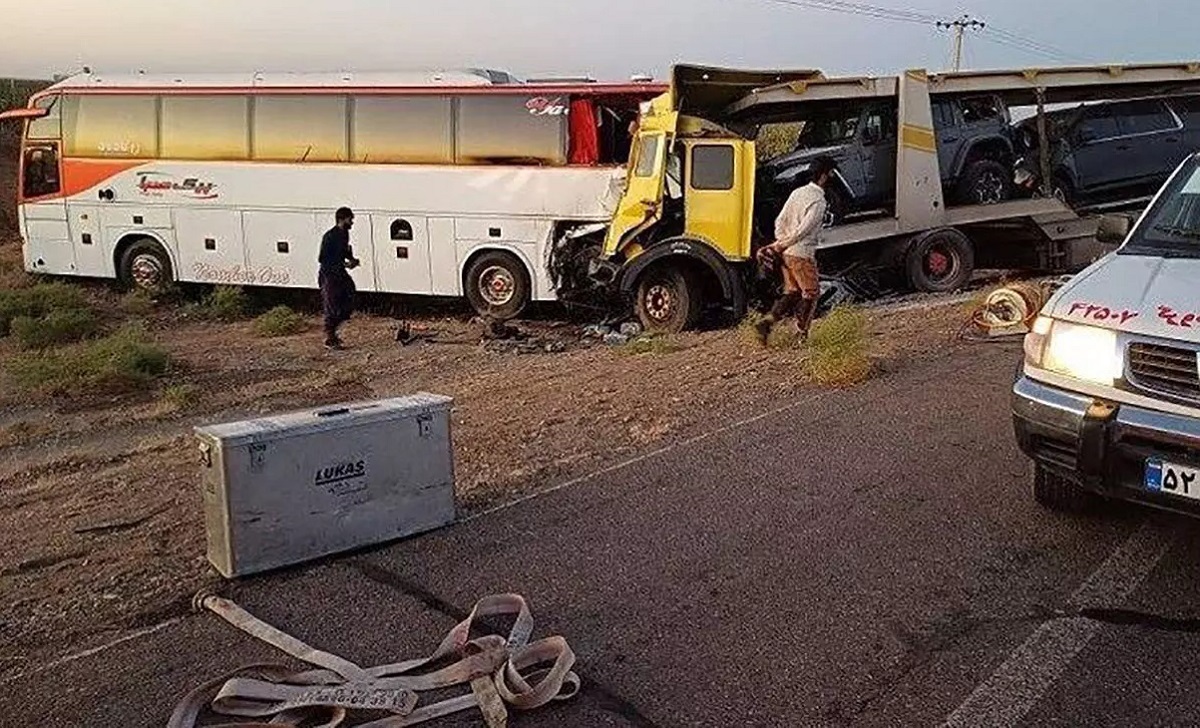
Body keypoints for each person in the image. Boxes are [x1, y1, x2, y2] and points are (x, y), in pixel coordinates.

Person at [754, 156, 837, 345]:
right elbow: (803, 231)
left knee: (792, 292)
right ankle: (801, 334)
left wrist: (781, 242)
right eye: (831, 173)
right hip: (801, 253)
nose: (833, 177)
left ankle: (766, 324)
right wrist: (782, 244)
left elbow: (780, 221)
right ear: (824, 176)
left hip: (786, 254)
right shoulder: (818, 201)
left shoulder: (797, 193)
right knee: (811, 293)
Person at [318, 207, 361, 350]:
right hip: (329, 274)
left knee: (350, 297)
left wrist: (351, 259)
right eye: (350, 219)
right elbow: (323, 258)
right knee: (332, 304)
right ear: (342, 219)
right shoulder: (330, 236)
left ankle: (333, 333)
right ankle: (329, 337)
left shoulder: (344, 234)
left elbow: (344, 251)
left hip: (339, 273)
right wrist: (345, 264)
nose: (352, 222)